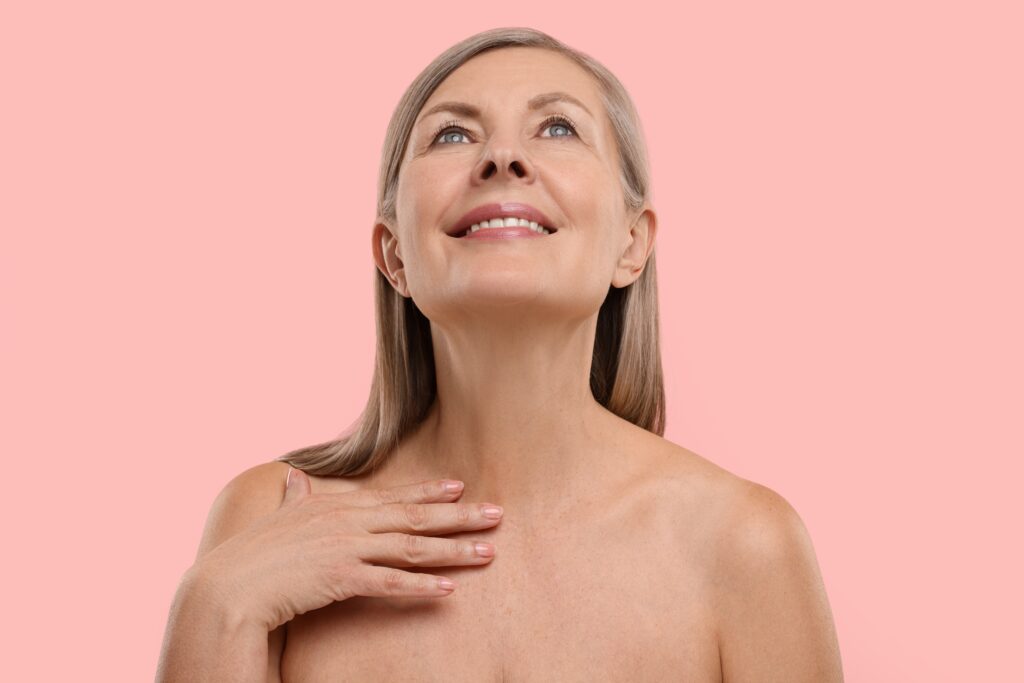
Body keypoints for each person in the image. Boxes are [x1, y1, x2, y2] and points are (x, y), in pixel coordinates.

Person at [157, 26, 844, 682]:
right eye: (454, 134)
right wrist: (214, 606)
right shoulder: (268, 519)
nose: (503, 158)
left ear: (631, 244)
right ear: (395, 255)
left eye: (557, 127)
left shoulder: (747, 547)